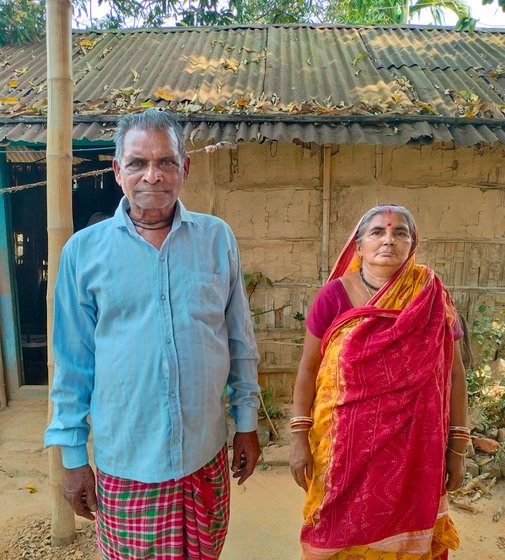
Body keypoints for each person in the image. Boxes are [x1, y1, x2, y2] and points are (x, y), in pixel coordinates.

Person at [45, 109, 261, 560]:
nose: (153, 176)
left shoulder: (217, 239)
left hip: (204, 458)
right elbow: (73, 365)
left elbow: (239, 340)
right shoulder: (83, 254)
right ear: (117, 170)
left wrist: (247, 424)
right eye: (138, 163)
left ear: (185, 168)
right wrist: (72, 458)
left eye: (165, 162)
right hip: (127, 464)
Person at [289, 205, 468, 560]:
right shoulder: (334, 297)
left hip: (416, 450)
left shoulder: (431, 296)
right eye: (377, 232)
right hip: (342, 450)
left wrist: (458, 447)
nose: (389, 239)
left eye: (400, 232)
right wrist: (298, 437)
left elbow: (454, 373)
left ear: (413, 244)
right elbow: (308, 370)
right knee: (334, 532)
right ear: (358, 247)